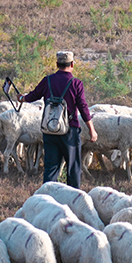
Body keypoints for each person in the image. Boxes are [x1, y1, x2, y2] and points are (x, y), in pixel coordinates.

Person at [19, 51, 97, 189]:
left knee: (51, 168)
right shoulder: (76, 83)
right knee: (73, 168)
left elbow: (33, 96)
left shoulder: (47, 80)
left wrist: (22, 98)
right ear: (72, 64)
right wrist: (91, 129)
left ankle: (48, 199)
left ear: (57, 64)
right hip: (70, 132)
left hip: (50, 130)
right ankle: (73, 198)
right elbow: (83, 107)